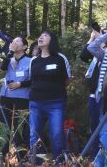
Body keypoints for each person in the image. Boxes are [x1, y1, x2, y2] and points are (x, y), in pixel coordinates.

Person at [20, 30, 71, 164]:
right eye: (40, 35)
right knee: (34, 135)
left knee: (56, 135)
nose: (41, 37)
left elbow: (67, 80)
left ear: (52, 40)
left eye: (45, 35)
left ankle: (58, 162)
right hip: (36, 103)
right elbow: (32, 80)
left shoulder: (60, 58)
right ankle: (36, 162)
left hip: (56, 103)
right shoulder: (34, 61)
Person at [0, 36, 31, 158]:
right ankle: (3, 155)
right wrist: (10, 52)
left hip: (22, 98)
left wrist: (20, 84)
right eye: (13, 41)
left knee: (19, 127)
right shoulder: (9, 58)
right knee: (4, 126)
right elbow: (2, 68)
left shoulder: (30, 60)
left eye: (17, 41)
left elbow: (34, 80)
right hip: (6, 96)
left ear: (24, 47)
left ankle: (21, 156)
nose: (14, 42)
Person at [79, 22, 104, 157]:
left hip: (105, 95)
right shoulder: (95, 51)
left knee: (104, 128)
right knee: (93, 126)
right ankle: (95, 156)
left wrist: (102, 38)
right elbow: (83, 56)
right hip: (93, 95)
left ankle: (103, 156)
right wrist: (92, 38)